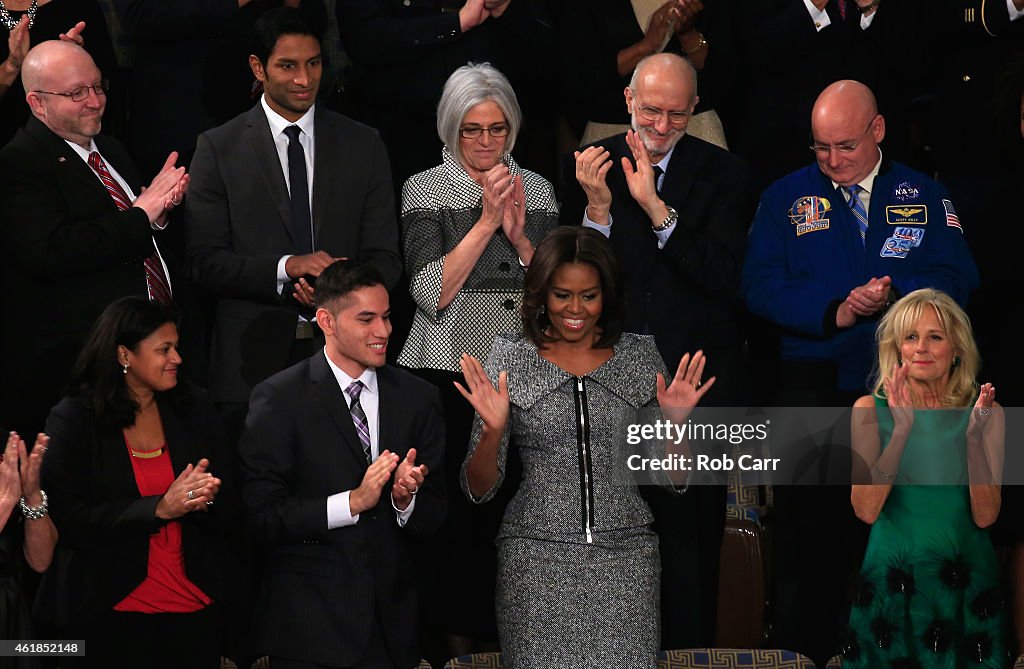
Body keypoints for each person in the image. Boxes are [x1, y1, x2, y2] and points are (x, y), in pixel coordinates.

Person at [742, 79, 980, 664]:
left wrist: (901, 296)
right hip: (812, 386)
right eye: (820, 148)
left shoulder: (924, 195)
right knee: (805, 544)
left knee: (897, 540)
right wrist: (838, 309)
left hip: (905, 389)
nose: (832, 161)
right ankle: (804, 656)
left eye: (845, 146)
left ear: (878, 130)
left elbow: (960, 278)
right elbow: (759, 286)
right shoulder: (783, 198)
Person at [457, 226, 714, 668]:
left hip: (626, 559)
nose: (575, 309)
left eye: (588, 296)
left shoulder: (639, 357)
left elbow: (675, 481)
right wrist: (492, 431)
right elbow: (477, 488)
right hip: (535, 561)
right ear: (540, 295)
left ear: (607, 297)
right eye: (561, 295)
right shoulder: (508, 359)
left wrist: (674, 427)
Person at [564, 51, 749, 646]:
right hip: (611, 385)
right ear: (628, 102)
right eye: (651, 111)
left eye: (675, 113)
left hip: (694, 387)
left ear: (694, 109)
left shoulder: (727, 174)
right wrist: (597, 210)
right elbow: (574, 286)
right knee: (611, 539)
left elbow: (724, 276)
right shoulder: (594, 167)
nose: (662, 125)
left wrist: (654, 208)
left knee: (689, 550)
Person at [396, 61, 557, 660]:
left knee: (512, 513)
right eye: (472, 130)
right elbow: (430, 292)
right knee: (454, 520)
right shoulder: (425, 189)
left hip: (521, 369)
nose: (486, 142)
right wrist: (487, 219)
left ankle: (509, 638)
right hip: (444, 365)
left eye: (496, 129)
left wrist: (518, 237)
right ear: (450, 130)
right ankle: (453, 642)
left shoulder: (536, 189)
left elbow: (556, 292)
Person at [184, 7, 402, 442]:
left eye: (314, 63)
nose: (305, 79)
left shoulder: (363, 144)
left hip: (349, 363)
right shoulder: (218, 148)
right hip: (251, 367)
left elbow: (387, 259)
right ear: (257, 68)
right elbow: (203, 263)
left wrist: (337, 290)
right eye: (288, 66)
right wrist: (287, 268)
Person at [239, 259, 445, 669]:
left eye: (386, 317)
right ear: (326, 321)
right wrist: (351, 502)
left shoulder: (418, 398)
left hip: (393, 629)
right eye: (366, 319)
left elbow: (438, 516)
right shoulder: (279, 398)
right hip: (308, 628)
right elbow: (260, 515)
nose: (384, 331)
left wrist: (406, 500)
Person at [0, 39, 188, 441]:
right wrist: (141, 215)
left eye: (98, 86)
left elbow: (128, 235)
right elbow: (51, 251)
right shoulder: (19, 163)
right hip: (86, 367)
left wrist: (157, 217)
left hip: (153, 351)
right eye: (75, 93)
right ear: (37, 103)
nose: (94, 101)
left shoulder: (112, 149)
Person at [38, 297, 240, 668]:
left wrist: (204, 499)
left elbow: (231, 506)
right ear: (123, 355)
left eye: (177, 347)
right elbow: (71, 520)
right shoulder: (76, 418)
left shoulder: (194, 406)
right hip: (111, 609)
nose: (177, 358)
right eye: (164, 349)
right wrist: (159, 509)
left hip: (196, 604)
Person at [845, 288, 1007, 667]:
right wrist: (901, 431)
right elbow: (865, 510)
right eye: (911, 337)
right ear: (896, 349)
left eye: (935, 337)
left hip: (963, 582)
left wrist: (972, 440)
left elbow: (986, 516)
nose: (921, 348)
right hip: (893, 580)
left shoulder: (988, 413)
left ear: (957, 350)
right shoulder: (868, 409)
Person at [0, 0, 113, 147]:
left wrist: (77, 59)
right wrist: (11, 66)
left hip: (79, 142)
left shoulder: (78, 6)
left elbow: (107, 81)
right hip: (8, 145)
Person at [0, 430, 57, 668]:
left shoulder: (7, 452)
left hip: (10, 620)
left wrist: (32, 496)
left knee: (75, 650)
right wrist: (5, 504)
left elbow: (41, 560)